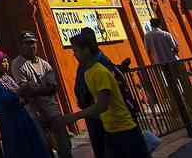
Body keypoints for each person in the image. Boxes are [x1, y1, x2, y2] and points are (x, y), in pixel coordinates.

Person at [61, 27, 148, 158]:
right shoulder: (88, 71)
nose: (75, 55)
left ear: (86, 50)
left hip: (124, 130)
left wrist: (75, 116)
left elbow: (102, 105)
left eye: (76, 51)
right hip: (109, 129)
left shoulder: (99, 69)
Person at [12, 31, 70, 158]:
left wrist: (35, 89)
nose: (32, 46)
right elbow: (26, 90)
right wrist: (43, 88)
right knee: (44, 149)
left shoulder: (44, 63)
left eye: (33, 43)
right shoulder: (18, 64)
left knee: (64, 145)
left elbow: (53, 88)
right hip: (35, 113)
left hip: (52, 110)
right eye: (27, 43)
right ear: (21, 46)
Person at [0, 51, 50, 158]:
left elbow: (19, 93)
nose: (6, 64)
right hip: (10, 120)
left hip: (22, 116)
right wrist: (19, 92)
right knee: (18, 148)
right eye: (3, 62)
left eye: (7, 61)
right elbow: (4, 98)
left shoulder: (8, 78)